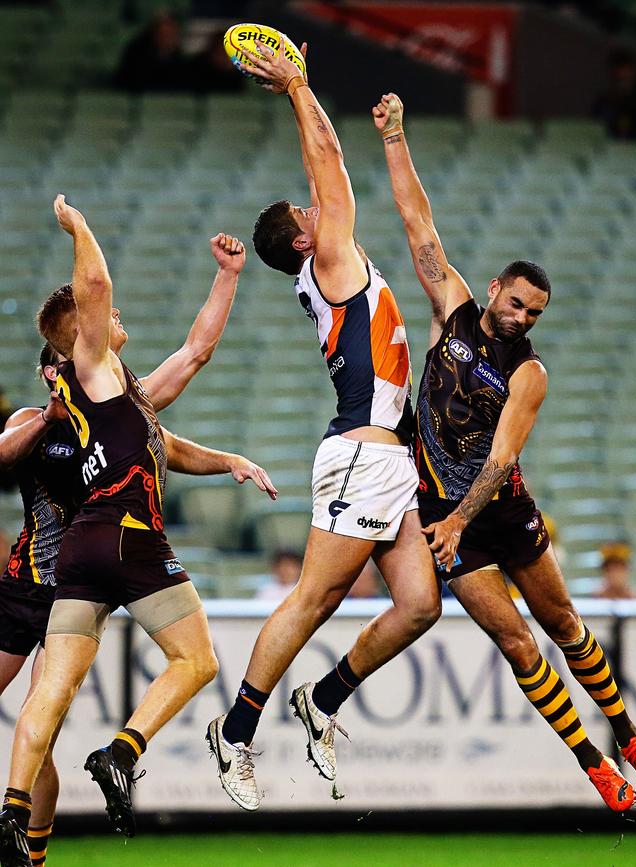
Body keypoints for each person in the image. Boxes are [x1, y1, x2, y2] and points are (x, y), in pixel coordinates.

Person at [373, 91, 636, 812]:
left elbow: (499, 461)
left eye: (533, 312)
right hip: (444, 521)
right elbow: (415, 222)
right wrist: (396, 136)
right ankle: (595, 765)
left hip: (496, 513)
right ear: (495, 287)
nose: (521, 315)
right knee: (520, 646)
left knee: (563, 625)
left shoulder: (530, 372)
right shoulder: (454, 309)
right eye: (517, 301)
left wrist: (460, 520)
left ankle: (628, 732)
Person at [0, 198, 277, 866]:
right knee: (199, 659)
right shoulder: (88, 371)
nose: (116, 319)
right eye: (105, 320)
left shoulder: (123, 394)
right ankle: (123, 750)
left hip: (77, 558)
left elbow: (195, 357)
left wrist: (227, 277)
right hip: (123, 533)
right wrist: (80, 226)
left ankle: (11, 817)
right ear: (80, 336)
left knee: (50, 690)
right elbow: (95, 288)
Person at [205, 41, 440, 813]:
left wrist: (300, 97)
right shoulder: (332, 260)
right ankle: (235, 732)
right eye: (309, 214)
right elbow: (330, 162)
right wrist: (299, 89)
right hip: (358, 457)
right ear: (304, 240)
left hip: (389, 461)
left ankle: (324, 698)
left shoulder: (324, 263)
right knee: (311, 600)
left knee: (418, 603)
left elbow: (322, 171)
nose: (319, 206)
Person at [114, 11, 187, 93]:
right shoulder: (137, 58)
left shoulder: (179, 61)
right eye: (162, 34)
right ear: (154, 34)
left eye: (171, 34)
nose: (167, 39)